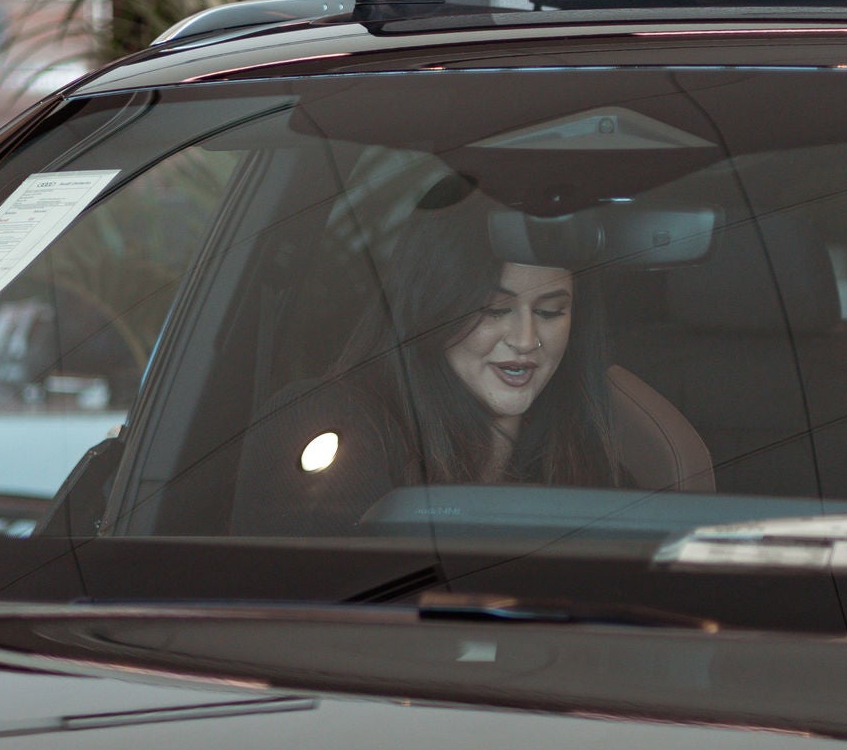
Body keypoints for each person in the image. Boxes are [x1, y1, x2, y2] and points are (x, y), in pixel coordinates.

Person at [229, 196, 623, 534]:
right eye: (493, 310)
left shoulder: (585, 441)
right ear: (434, 307)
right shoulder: (335, 426)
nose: (524, 339)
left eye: (551, 312)